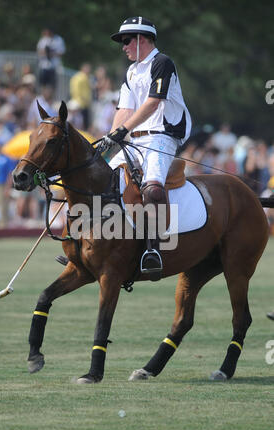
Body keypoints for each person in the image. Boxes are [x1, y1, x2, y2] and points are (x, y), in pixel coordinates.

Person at [101, 16, 192, 279]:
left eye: (126, 40)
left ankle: (153, 250)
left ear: (142, 39)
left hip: (161, 136)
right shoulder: (131, 72)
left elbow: (153, 102)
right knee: (97, 177)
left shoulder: (162, 63)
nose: (123, 46)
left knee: (152, 189)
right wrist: (109, 140)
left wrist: (122, 131)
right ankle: (94, 244)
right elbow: (124, 110)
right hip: (134, 138)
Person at [69, 63, 92, 130]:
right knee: (83, 125)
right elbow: (84, 92)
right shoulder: (84, 77)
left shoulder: (75, 77)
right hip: (82, 104)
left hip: (76, 102)